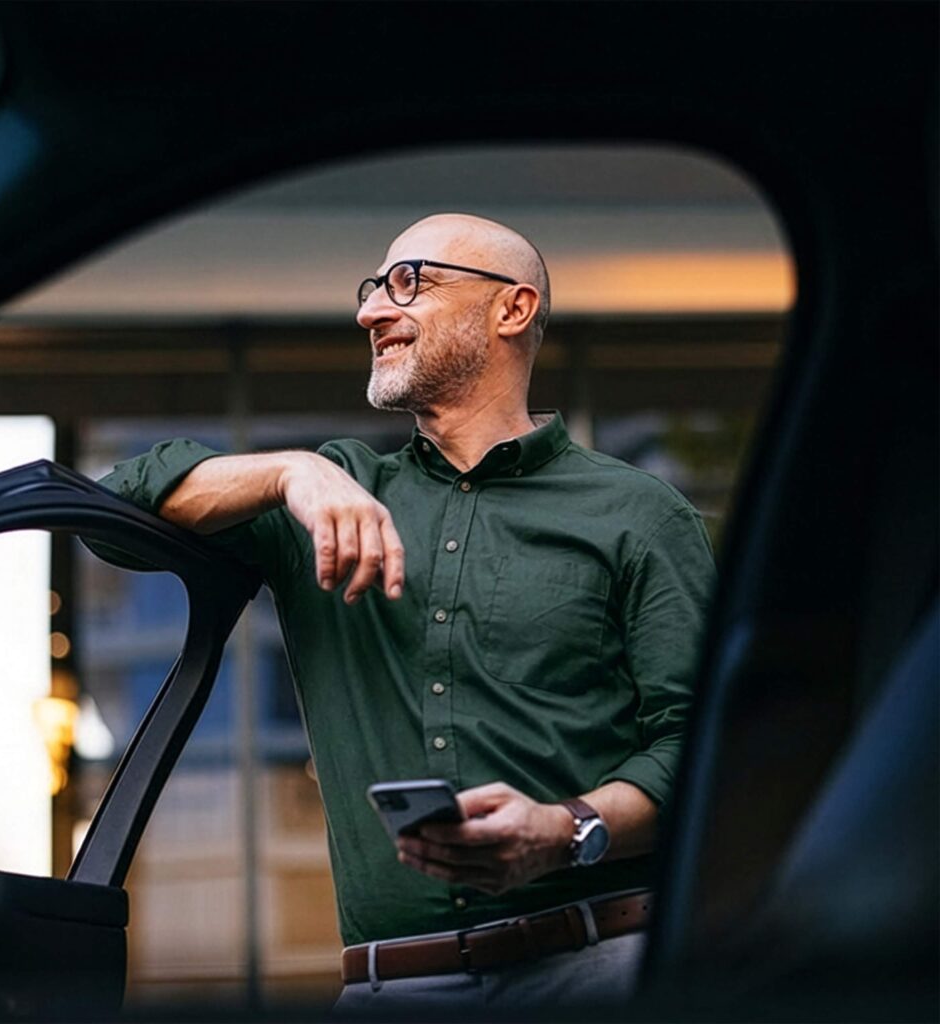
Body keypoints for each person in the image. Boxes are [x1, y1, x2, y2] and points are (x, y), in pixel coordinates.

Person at [97, 213, 716, 1013]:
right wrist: (291, 473)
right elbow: (113, 510)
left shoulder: (639, 514)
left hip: (597, 972)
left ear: (512, 308)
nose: (370, 312)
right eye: (372, 289)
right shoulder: (327, 498)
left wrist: (565, 829)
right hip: (391, 991)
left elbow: (704, 749)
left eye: (408, 283)